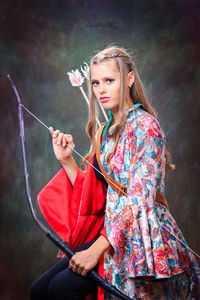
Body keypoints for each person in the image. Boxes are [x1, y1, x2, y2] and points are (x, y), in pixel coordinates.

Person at [30, 45, 200, 300]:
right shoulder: (106, 132)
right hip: (111, 230)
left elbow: (138, 201)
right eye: (96, 83)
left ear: (129, 78)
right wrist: (67, 161)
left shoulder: (145, 126)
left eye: (109, 80)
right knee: (40, 290)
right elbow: (97, 196)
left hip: (139, 237)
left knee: (61, 289)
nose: (101, 89)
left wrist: (95, 250)